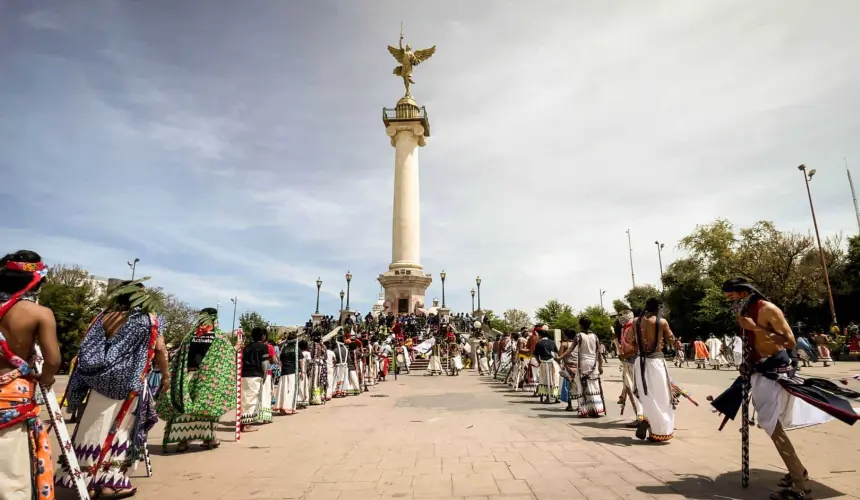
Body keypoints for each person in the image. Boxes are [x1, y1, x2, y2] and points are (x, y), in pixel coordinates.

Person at [714, 278, 860, 500]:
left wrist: (756, 328)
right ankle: (797, 473)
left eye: (731, 295)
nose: (729, 300)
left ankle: (801, 486)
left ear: (743, 292)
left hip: (776, 371)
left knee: (771, 424)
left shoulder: (768, 309)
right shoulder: (745, 310)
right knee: (770, 422)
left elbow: (789, 341)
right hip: (759, 370)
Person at [56, 279, 169, 499]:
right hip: (127, 384)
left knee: (91, 425)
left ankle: (84, 480)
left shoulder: (103, 317)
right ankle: (110, 482)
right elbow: (160, 349)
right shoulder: (147, 320)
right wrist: (166, 375)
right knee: (120, 430)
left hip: (96, 381)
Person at [0, 251, 60, 500]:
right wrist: (46, 378)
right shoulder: (39, 313)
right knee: (12, 464)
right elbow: (53, 360)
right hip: (14, 394)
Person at [158, 307, 236, 452]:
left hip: (187, 376)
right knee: (208, 408)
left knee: (184, 407)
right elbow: (227, 359)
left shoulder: (189, 336)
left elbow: (179, 358)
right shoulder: (219, 338)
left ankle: (183, 441)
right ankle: (208, 439)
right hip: (208, 379)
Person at [629, 297, 676, 442]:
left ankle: (647, 418)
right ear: (659, 307)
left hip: (640, 362)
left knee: (646, 394)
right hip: (656, 363)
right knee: (662, 396)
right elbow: (672, 340)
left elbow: (630, 340)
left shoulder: (636, 321)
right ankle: (659, 431)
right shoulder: (662, 322)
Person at [616, 310, 644, 426]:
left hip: (634, 362)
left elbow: (637, 348)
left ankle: (640, 417)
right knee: (630, 389)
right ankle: (639, 416)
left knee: (634, 391)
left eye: (622, 316)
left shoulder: (634, 328)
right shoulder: (624, 329)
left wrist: (625, 355)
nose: (620, 319)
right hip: (627, 362)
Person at [239, 327, 270, 430]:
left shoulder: (246, 347)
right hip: (255, 375)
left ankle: (243, 422)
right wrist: (264, 376)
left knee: (244, 399)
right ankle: (246, 424)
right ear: (263, 336)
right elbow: (265, 363)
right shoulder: (263, 347)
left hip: (244, 375)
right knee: (251, 399)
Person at [574, 317, 605, 417]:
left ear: (580, 325)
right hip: (593, 364)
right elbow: (599, 353)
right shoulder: (595, 336)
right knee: (594, 385)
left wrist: (560, 357)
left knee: (582, 386)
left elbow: (570, 349)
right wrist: (600, 366)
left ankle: (584, 411)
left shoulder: (579, 336)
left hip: (583, 363)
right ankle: (596, 410)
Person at [274, 336, 299, 415]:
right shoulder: (296, 349)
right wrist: (303, 372)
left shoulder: (283, 349)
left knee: (282, 390)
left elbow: (280, 361)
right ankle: (290, 408)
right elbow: (301, 361)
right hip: (292, 372)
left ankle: (281, 408)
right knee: (291, 390)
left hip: (284, 372)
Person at [534, 328, 560, 404]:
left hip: (544, 363)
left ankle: (548, 397)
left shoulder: (539, 343)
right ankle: (556, 397)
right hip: (553, 363)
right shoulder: (552, 342)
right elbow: (556, 352)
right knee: (554, 380)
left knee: (545, 380)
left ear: (540, 335)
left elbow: (536, 354)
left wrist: (539, 362)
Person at [557, 329, 579, 412]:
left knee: (568, 387)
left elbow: (560, 355)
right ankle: (580, 404)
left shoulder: (564, 344)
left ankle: (570, 405)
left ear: (566, 335)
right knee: (578, 386)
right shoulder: (578, 344)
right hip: (577, 367)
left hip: (568, 367)